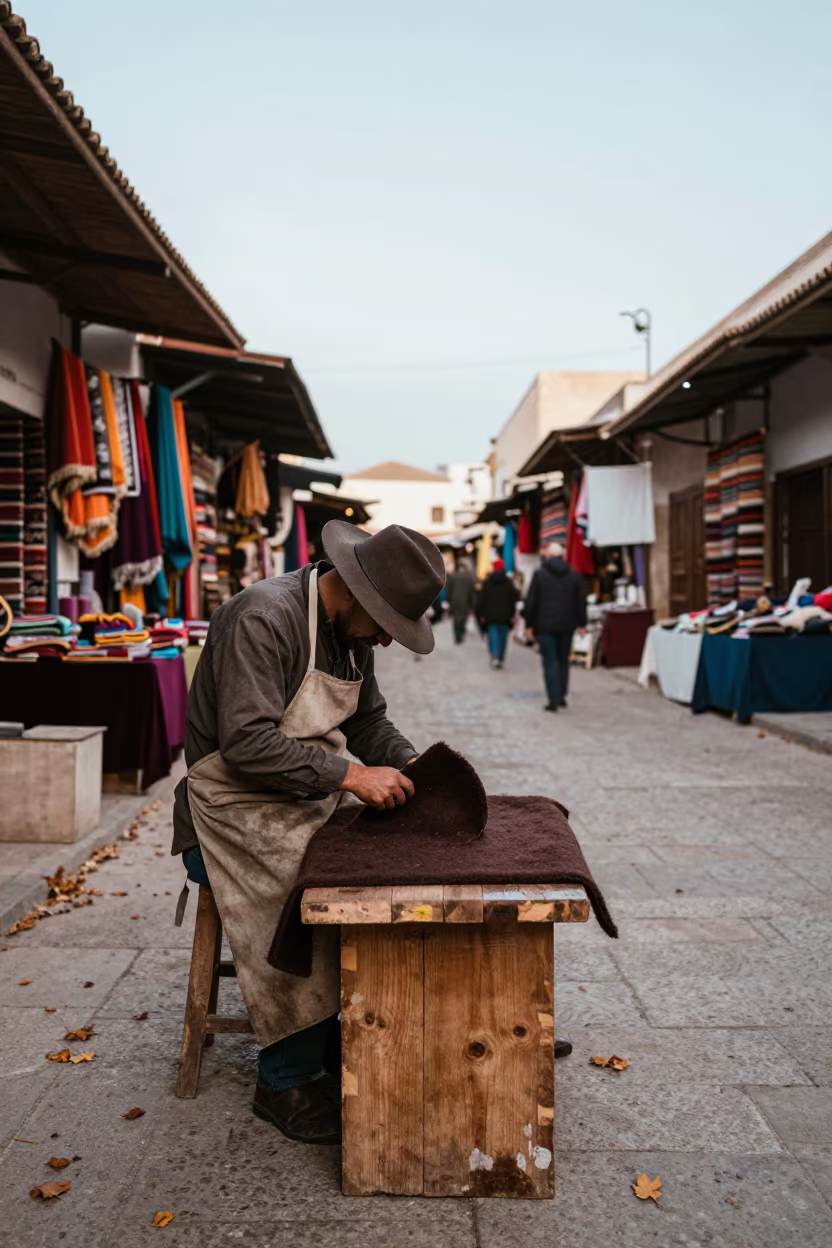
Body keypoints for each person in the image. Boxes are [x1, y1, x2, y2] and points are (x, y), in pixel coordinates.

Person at [171, 522, 445, 1146]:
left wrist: (404, 766)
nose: (388, 641)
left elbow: (370, 719)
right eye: (385, 625)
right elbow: (245, 744)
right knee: (312, 886)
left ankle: (358, 1034)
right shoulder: (262, 619)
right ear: (353, 591)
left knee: (381, 862)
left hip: (304, 795)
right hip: (228, 811)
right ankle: (284, 1081)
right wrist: (350, 775)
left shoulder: (351, 635)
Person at [524, 542, 587, 711]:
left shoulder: (540, 575)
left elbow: (531, 602)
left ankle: (553, 698)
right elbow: (581, 602)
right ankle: (561, 695)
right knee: (563, 661)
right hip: (567, 625)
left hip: (545, 626)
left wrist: (529, 625)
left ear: (548, 556)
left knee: (549, 661)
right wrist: (582, 623)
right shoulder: (574, 575)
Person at [476, 559, 518, 669]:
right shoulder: (509, 583)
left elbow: (481, 600)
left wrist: (482, 615)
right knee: (503, 638)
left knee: (493, 637)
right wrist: (511, 614)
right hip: (505, 616)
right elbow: (513, 599)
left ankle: (494, 655)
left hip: (491, 616)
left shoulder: (487, 582)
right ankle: (500, 657)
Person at [445, 558, 476, 643]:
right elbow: (471, 591)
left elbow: (448, 589)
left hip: (454, 601)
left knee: (456, 618)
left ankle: (457, 635)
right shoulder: (468, 578)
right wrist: (471, 603)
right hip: (465, 601)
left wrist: (448, 600)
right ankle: (461, 633)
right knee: (463, 618)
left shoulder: (453, 576)